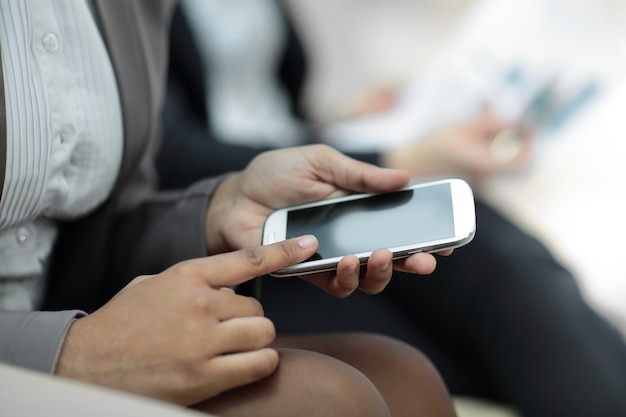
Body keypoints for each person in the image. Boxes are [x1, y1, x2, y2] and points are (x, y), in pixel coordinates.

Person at [158, 1, 626, 416]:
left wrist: (346, 124)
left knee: (518, 330)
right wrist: (395, 158)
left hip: (297, 171)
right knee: (496, 268)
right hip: (231, 225)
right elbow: (165, 153)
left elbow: (261, 107)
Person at [0, 2, 460, 416]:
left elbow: (98, 225)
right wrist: (72, 355)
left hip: (69, 305)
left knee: (403, 375)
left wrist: (216, 212)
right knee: (328, 400)